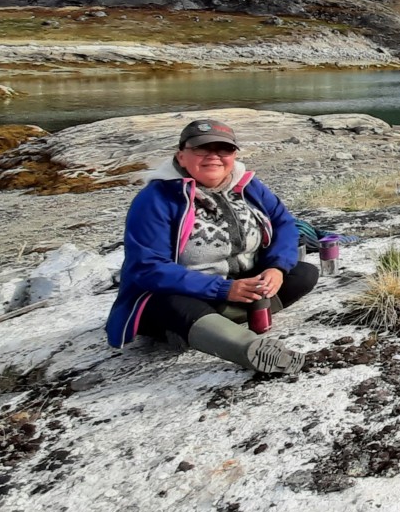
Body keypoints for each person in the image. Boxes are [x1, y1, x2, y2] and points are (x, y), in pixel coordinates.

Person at [104, 117, 317, 373]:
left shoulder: (249, 187)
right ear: (181, 156)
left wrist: (276, 268)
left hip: (234, 285)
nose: (213, 156)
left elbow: (284, 224)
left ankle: (209, 327)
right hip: (182, 292)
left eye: (224, 149)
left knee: (303, 273)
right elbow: (148, 268)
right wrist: (222, 289)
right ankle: (247, 348)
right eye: (201, 148)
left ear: (234, 156)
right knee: (170, 304)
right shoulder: (156, 198)